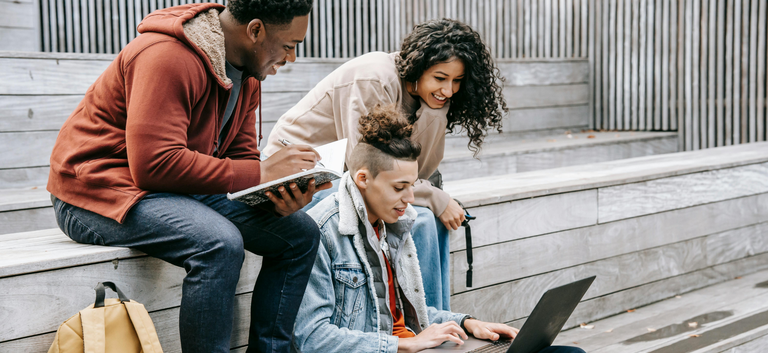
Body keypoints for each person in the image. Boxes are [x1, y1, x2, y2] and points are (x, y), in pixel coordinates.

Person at [46, 1, 329, 352]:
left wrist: (274, 195)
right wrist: (260, 171)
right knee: (219, 243)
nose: (292, 59)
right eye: (289, 46)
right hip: (94, 190)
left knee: (299, 234)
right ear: (255, 30)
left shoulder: (248, 77)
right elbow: (155, 163)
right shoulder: (165, 55)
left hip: (172, 188)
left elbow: (239, 161)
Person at [292, 105, 584, 353]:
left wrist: (466, 322)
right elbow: (311, 337)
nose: (409, 199)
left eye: (412, 186)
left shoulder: (387, 226)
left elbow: (405, 314)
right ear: (363, 178)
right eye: (399, 187)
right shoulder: (322, 231)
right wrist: (403, 346)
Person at [263, 18, 507, 311]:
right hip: (302, 177)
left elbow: (420, 170)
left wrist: (433, 113)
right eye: (440, 78)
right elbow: (362, 168)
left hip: (352, 177)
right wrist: (434, 196)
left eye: (456, 81)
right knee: (421, 219)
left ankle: (436, 324)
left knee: (432, 221)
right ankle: (421, 331)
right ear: (418, 67)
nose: (449, 90)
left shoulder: (428, 96)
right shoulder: (374, 80)